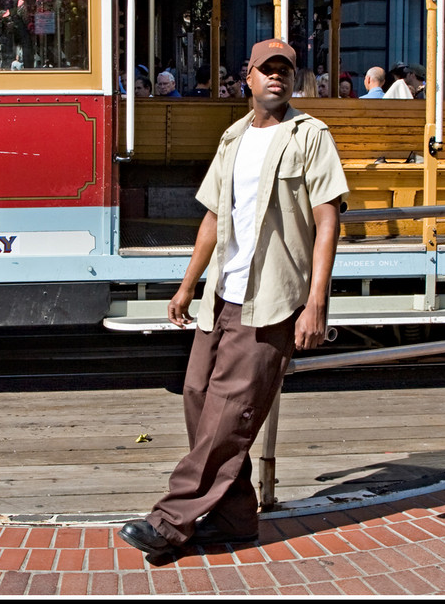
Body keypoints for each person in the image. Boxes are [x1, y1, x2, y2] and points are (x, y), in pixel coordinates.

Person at [117, 38, 348, 557]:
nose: (276, 78)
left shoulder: (310, 137)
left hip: (270, 299)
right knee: (200, 399)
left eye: (285, 71)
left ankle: (171, 521)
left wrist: (316, 302)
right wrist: (186, 285)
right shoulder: (234, 138)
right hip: (222, 294)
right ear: (248, 76)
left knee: (230, 413)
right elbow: (213, 219)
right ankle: (239, 518)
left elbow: (328, 221)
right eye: (267, 70)